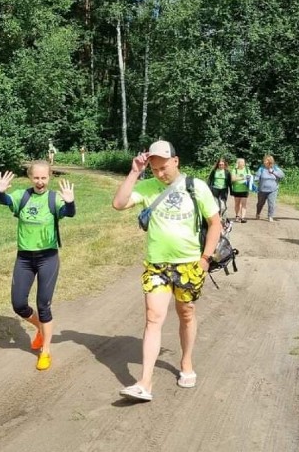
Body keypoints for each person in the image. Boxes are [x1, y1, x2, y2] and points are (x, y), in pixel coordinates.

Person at [112, 140, 222, 402]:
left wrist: (205, 259)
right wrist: (135, 171)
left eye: (163, 168)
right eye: (155, 169)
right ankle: (145, 382)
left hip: (189, 264)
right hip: (156, 265)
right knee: (153, 318)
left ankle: (186, 362)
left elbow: (215, 223)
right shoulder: (147, 186)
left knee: (186, 314)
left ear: (176, 161)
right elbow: (118, 203)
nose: (160, 174)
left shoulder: (196, 187)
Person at [0, 161, 76, 370]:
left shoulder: (53, 199)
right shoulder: (22, 196)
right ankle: (40, 327)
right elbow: (3, 200)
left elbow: (69, 212)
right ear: (30, 178)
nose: (40, 182)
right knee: (19, 304)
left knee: (43, 304)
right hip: (24, 258)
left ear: (49, 178)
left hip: (47, 258)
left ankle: (45, 350)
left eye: (44, 178)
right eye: (36, 178)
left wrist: (70, 202)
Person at [255, 155, 285, 222]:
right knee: (260, 203)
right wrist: (253, 179)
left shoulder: (276, 168)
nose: (264, 162)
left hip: (273, 189)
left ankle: (270, 216)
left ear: (270, 161)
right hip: (262, 190)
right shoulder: (261, 168)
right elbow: (257, 177)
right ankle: (258, 213)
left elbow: (282, 175)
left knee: (272, 203)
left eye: (266, 160)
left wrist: (273, 172)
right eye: (264, 160)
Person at [229, 158, 250, 223]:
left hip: (245, 189)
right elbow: (233, 179)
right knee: (237, 204)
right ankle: (237, 216)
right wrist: (243, 178)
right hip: (236, 189)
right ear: (238, 163)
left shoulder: (247, 169)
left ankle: (243, 217)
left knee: (244, 204)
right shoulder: (234, 170)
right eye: (242, 162)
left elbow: (249, 177)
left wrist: (248, 180)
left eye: (244, 162)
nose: (243, 163)